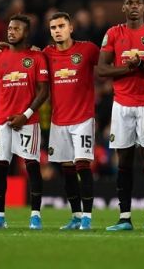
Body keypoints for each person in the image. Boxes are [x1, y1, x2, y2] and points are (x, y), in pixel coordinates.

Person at [97, 0, 144, 232]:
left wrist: (143, 64)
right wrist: (130, 69)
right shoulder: (113, 33)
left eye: (138, 3)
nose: (135, 7)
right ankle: (125, 218)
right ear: (123, 8)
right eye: (130, 3)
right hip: (122, 105)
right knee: (124, 161)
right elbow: (102, 69)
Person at [0, 14, 49, 230]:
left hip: (27, 121)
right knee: (0, 167)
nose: (11, 31)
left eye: (16, 29)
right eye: (10, 28)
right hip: (1, 121)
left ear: (26, 32)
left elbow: (43, 91)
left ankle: (35, 215)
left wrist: (26, 115)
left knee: (31, 166)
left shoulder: (37, 57)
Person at [43, 12, 99, 231]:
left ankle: (87, 217)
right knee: (66, 168)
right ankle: (76, 216)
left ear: (71, 28)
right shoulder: (47, 53)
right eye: (53, 28)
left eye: (61, 26)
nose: (57, 30)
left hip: (83, 118)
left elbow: (106, 63)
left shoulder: (88, 49)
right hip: (59, 120)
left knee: (82, 165)